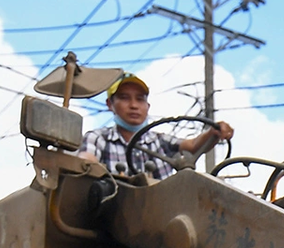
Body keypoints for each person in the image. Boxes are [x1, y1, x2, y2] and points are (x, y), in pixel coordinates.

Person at [80, 74, 233, 181]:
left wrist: (213, 132)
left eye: (140, 99)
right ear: (110, 104)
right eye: (124, 98)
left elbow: (192, 145)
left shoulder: (160, 141)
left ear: (147, 106)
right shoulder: (98, 138)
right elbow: (86, 162)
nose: (133, 105)